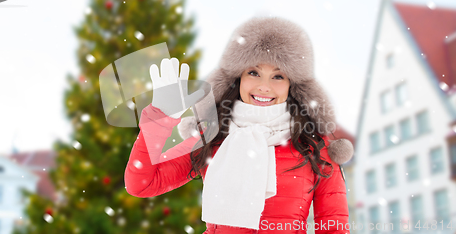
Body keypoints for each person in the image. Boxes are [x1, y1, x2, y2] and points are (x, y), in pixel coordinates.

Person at [125, 16, 354, 233]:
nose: (264, 87)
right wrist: (160, 116)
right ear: (238, 78)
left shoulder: (315, 146)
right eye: (254, 72)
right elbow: (142, 184)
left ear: (291, 86)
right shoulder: (213, 136)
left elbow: (333, 227)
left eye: (278, 76)